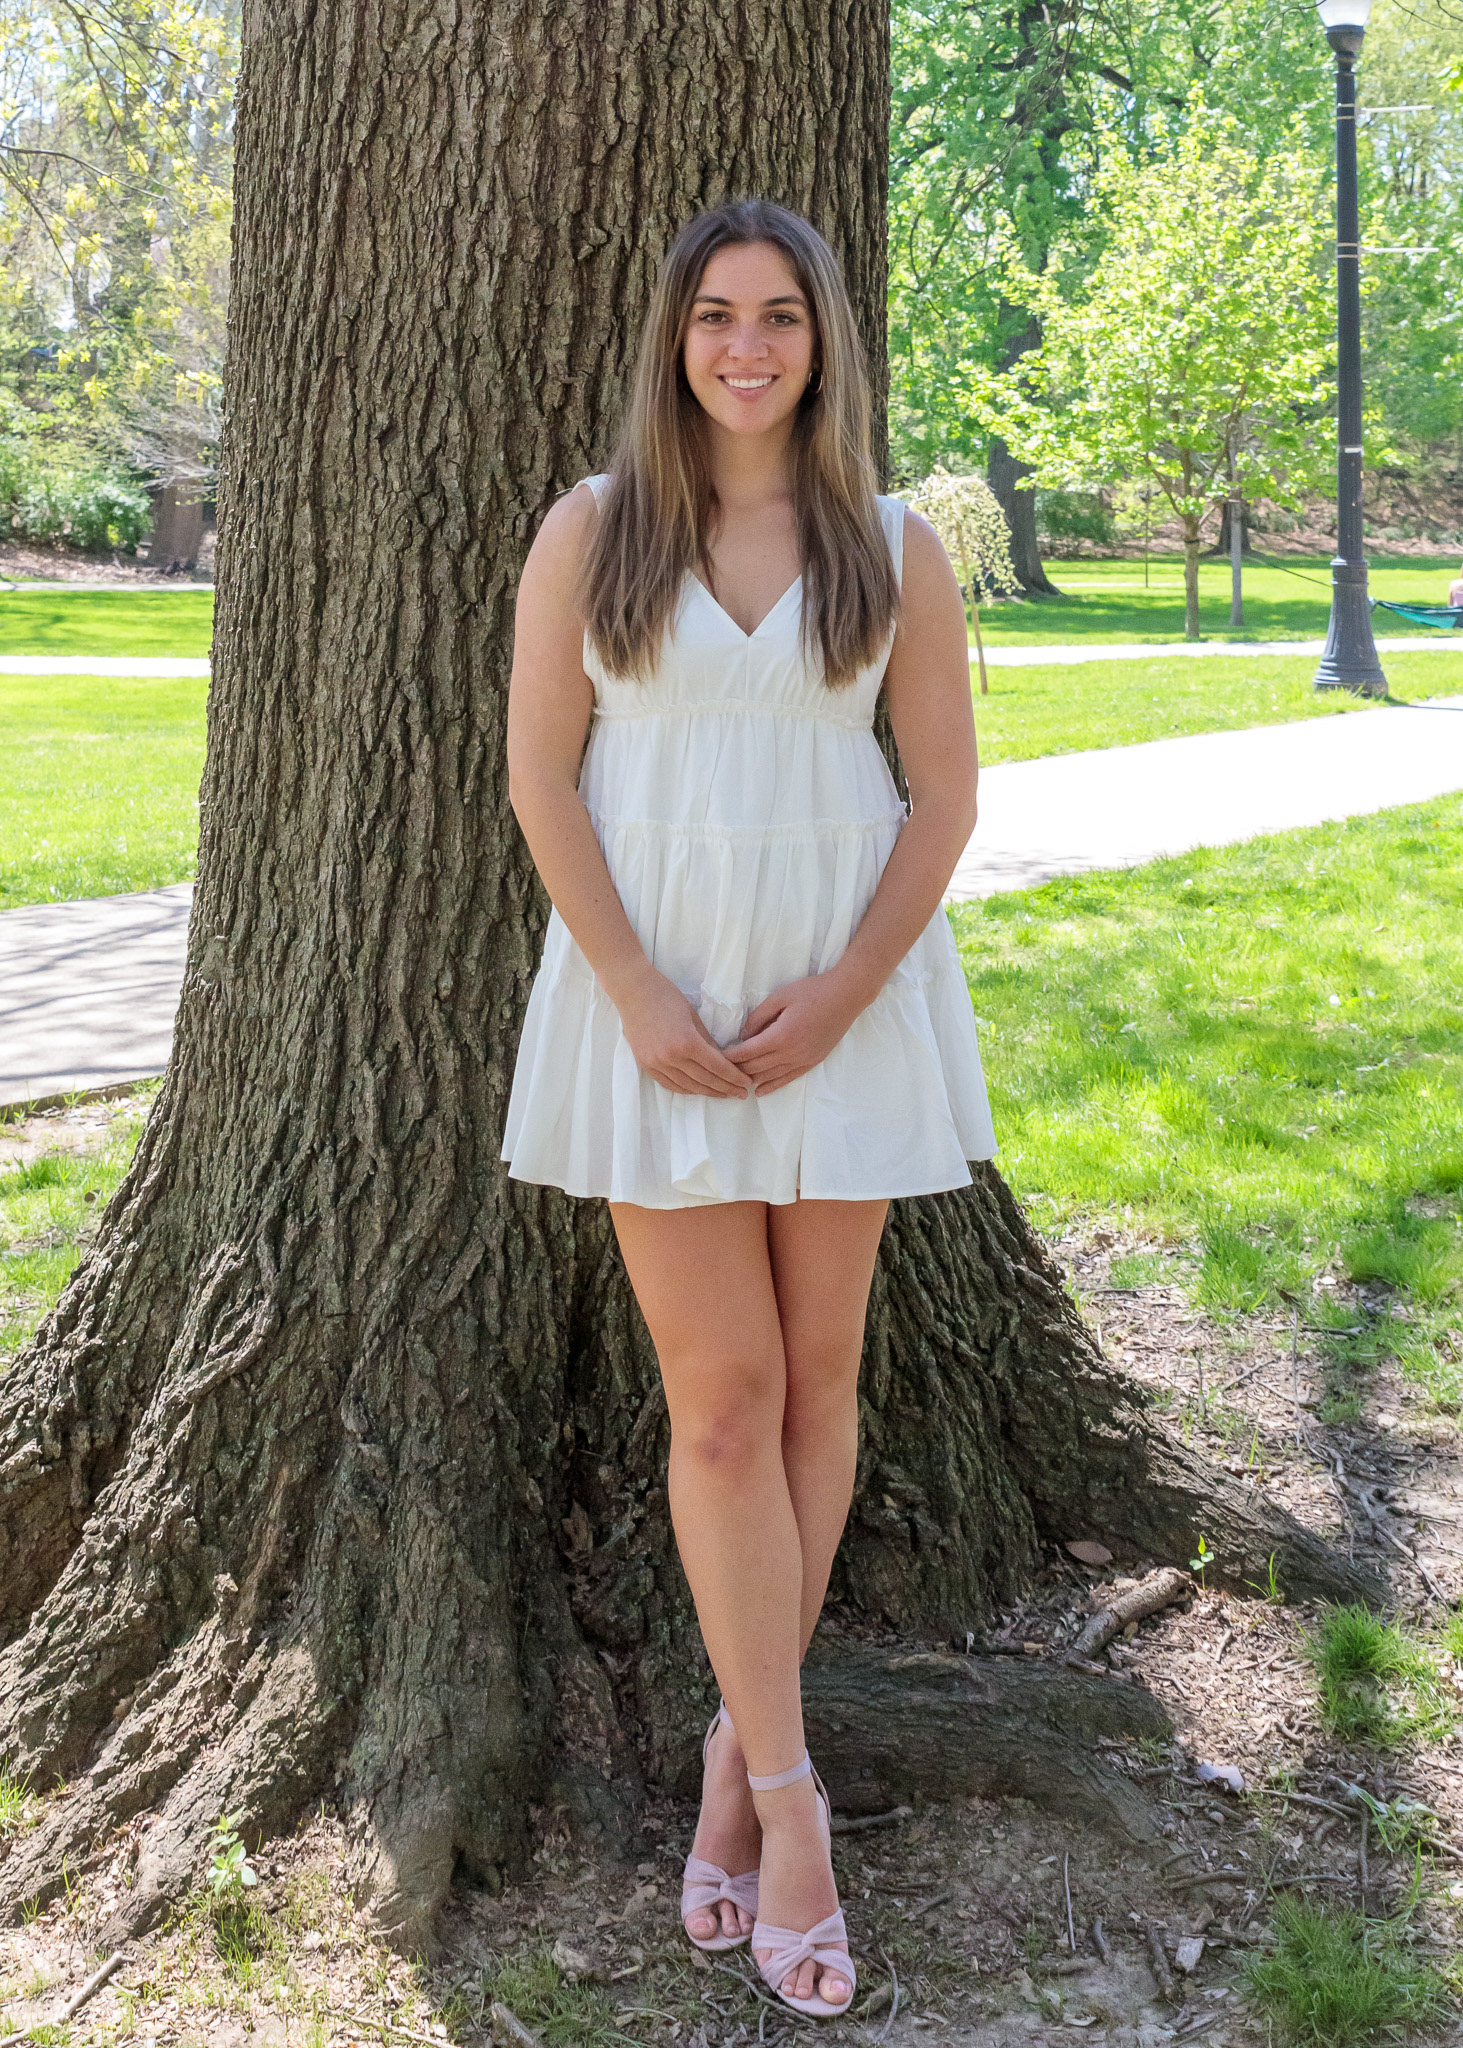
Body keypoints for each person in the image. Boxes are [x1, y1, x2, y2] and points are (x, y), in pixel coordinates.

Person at [502, 198, 995, 2020]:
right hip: (655, 1011)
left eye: (780, 315)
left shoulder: (893, 545)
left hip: (841, 1003)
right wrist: (637, 989)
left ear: (823, 340)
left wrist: (849, 991)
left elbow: (942, 797)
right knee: (719, 1407)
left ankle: (737, 1747)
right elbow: (541, 779)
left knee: (817, 1386)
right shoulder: (596, 530)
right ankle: (790, 1807)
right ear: (674, 337)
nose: (747, 347)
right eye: (717, 315)